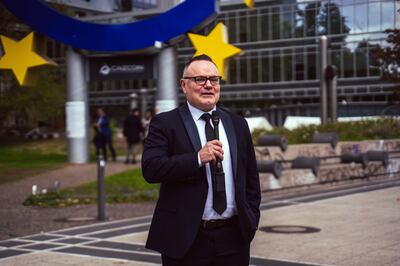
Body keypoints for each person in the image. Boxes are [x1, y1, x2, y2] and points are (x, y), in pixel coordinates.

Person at [142, 54, 261, 265]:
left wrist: (251, 219)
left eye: (214, 80)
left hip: (234, 238)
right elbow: (151, 169)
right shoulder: (165, 123)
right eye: (200, 80)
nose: (208, 85)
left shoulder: (238, 123)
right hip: (186, 238)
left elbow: (251, 177)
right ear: (184, 85)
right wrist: (197, 158)